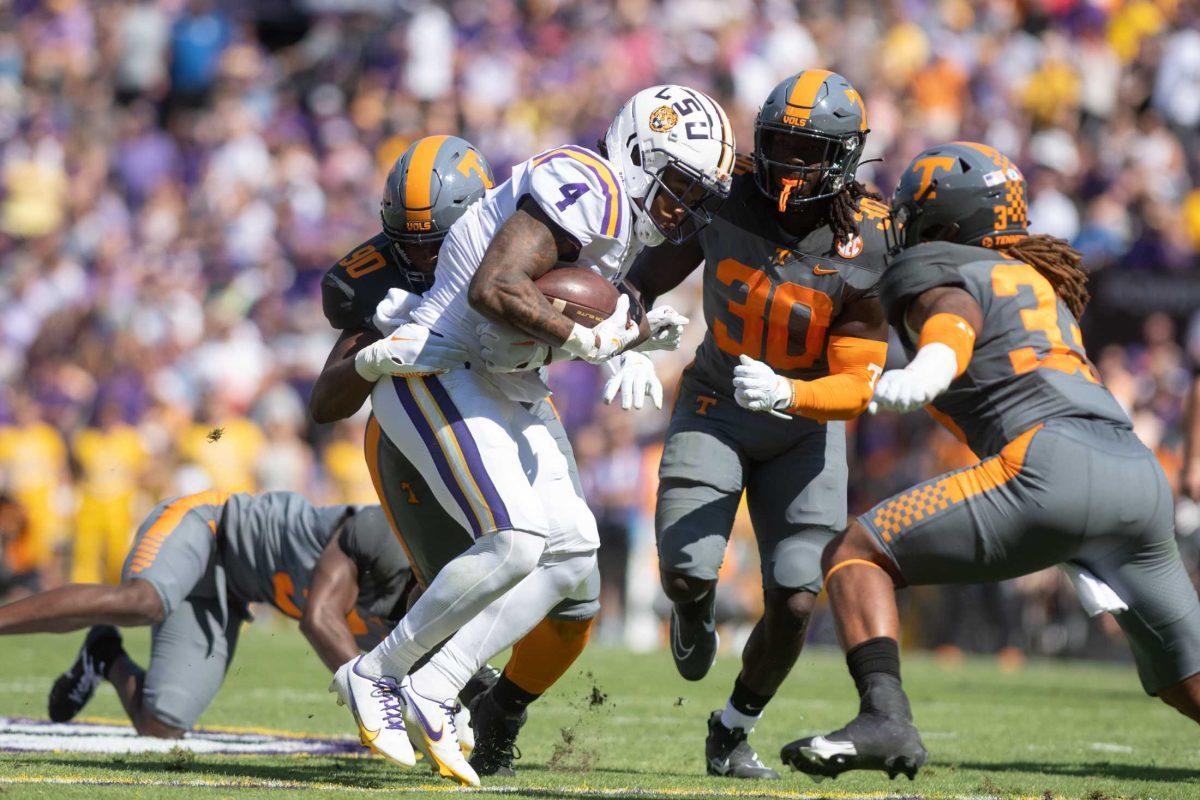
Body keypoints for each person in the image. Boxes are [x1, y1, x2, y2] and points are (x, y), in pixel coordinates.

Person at [331, 84, 734, 786]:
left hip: (500, 379)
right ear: (641, 156)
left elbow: (579, 310)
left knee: (574, 548)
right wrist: (592, 337)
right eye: (679, 186)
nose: (686, 207)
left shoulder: (626, 218)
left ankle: (435, 687)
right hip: (438, 367)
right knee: (516, 539)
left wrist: (628, 340)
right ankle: (377, 673)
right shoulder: (591, 184)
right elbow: (496, 287)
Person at [779, 142, 1200, 781]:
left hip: (1047, 465)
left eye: (913, 214)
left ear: (946, 225)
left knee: (855, 555)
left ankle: (884, 717)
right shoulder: (1040, 281)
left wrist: (931, 366)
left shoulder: (940, 268)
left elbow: (953, 317)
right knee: (1186, 681)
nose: (902, 227)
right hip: (1137, 476)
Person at [619, 70, 889, 778]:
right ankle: (693, 609)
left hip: (804, 424)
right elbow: (641, 279)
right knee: (683, 573)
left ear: (842, 158)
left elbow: (858, 385)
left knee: (799, 596)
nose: (786, 164)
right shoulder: (725, 191)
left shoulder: (867, 239)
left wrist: (792, 398)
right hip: (716, 403)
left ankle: (733, 728)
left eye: (806, 151)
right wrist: (625, 337)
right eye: (776, 144)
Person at [311, 134, 601, 778]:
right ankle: (429, 690)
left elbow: (579, 317)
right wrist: (368, 356)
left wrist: (621, 341)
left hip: (511, 407)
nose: (418, 256)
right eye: (405, 240)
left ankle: (500, 706)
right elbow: (324, 404)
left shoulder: (534, 238)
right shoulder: (371, 279)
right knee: (479, 568)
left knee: (575, 586)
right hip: (416, 437)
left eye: (435, 241)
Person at [0, 493, 434, 739]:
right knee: (142, 601)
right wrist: (377, 703)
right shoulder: (387, 534)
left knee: (162, 726)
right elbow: (319, 618)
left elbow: (457, 687)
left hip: (229, 593)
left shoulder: (428, 627)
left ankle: (104, 656)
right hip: (209, 528)